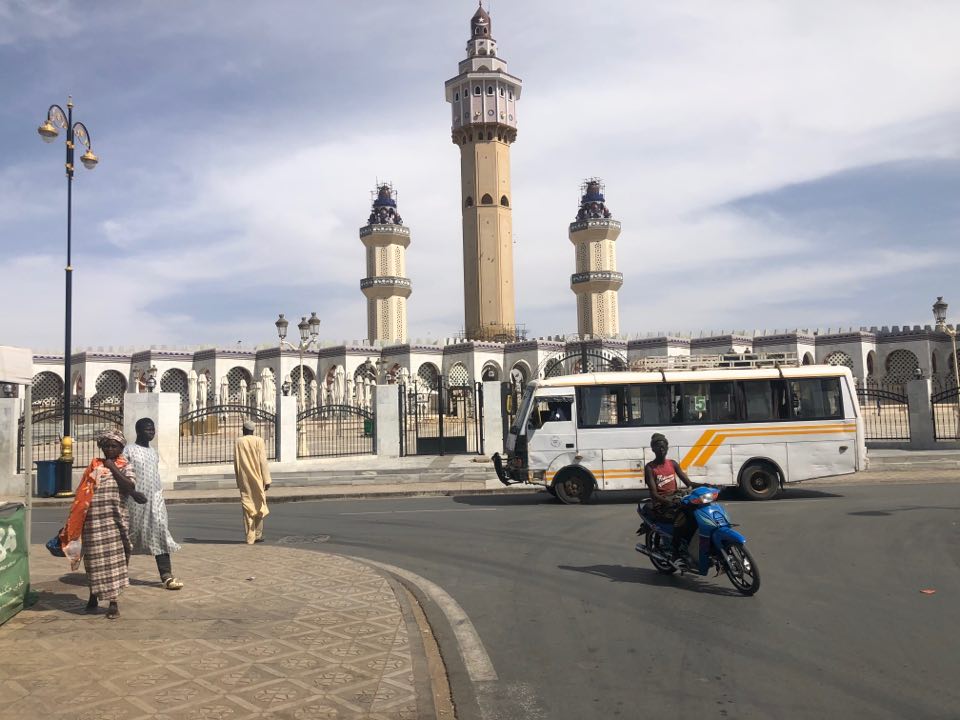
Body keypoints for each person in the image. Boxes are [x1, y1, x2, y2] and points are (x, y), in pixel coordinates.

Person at [59, 430, 146, 620]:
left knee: (115, 562)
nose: (109, 449)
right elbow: (82, 494)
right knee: (94, 561)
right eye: (106, 445)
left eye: (114, 446)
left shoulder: (125, 466)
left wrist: (112, 467)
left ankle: (113, 602)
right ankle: (93, 595)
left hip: (114, 523)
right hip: (92, 523)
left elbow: (129, 487)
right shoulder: (93, 466)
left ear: (121, 448)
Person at [123, 418, 183, 590]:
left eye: (153, 429)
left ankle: (166, 575)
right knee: (128, 537)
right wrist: (132, 493)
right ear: (139, 431)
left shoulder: (153, 452)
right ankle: (119, 573)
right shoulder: (129, 451)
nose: (151, 432)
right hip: (134, 503)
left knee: (160, 532)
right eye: (148, 429)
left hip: (155, 500)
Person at [643, 433, 702, 568]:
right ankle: (675, 553)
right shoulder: (650, 468)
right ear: (653, 449)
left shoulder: (672, 464)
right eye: (658, 447)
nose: (661, 449)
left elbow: (689, 483)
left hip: (677, 499)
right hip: (662, 504)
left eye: (663, 447)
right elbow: (653, 494)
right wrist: (669, 502)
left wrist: (708, 485)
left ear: (667, 448)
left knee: (697, 514)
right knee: (682, 519)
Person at [234, 420, 272, 544]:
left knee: (247, 505)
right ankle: (257, 534)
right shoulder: (259, 441)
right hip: (258, 478)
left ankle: (250, 536)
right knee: (259, 504)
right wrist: (267, 480)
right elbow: (263, 461)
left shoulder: (239, 442)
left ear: (244, 430)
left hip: (244, 478)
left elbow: (237, 462)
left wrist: (238, 480)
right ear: (253, 430)